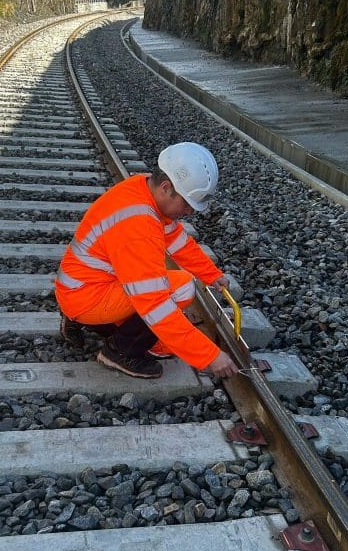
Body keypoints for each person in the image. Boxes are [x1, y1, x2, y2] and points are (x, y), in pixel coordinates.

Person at [54, 142, 239, 380]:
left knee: (159, 283)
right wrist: (210, 356)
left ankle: (81, 320)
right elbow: (154, 304)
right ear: (166, 187)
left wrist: (211, 274)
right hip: (88, 298)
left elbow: (177, 241)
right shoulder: (140, 225)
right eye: (186, 203)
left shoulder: (141, 189)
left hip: (79, 286)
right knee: (181, 286)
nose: (189, 212)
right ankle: (119, 353)